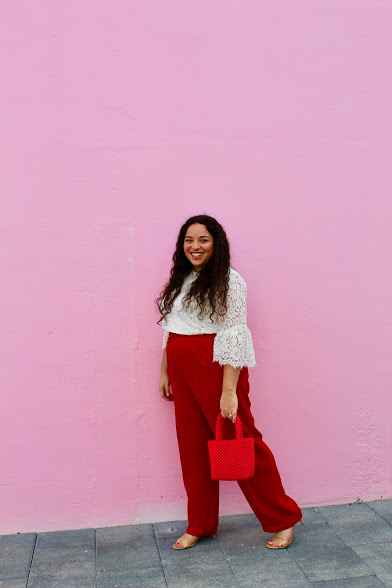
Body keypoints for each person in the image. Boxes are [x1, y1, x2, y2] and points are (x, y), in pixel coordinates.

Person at [157, 215, 303, 550]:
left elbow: (234, 334)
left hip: (215, 367)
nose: (195, 246)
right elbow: (172, 326)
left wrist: (228, 392)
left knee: (241, 443)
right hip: (182, 367)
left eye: (203, 240)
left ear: (216, 243)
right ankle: (201, 524)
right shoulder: (182, 278)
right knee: (192, 448)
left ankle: (283, 517)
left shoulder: (229, 281)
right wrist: (165, 369)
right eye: (189, 240)